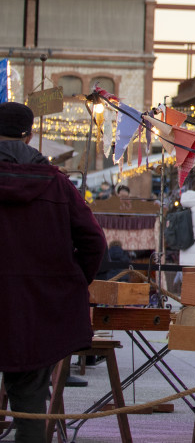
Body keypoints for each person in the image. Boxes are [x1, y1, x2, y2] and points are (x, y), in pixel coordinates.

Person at [0, 102, 107, 442]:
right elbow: (94, 242)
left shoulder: (58, 184)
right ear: (29, 135)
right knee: (30, 407)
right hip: (37, 309)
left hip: (32, 306)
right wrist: (69, 283)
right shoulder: (58, 185)